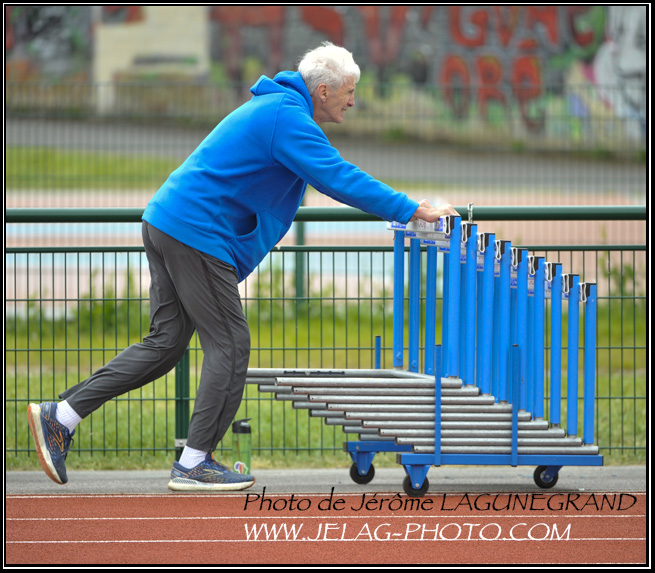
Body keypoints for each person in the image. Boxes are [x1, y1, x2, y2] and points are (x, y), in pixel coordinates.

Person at [27, 42, 458, 492]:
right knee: (230, 345)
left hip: (168, 222)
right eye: (349, 91)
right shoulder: (287, 118)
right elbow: (339, 177)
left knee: (167, 342)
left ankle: (61, 417)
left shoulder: (279, 110)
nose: (353, 101)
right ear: (324, 90)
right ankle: (195, 462)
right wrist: (413, 209)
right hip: (196, 233)